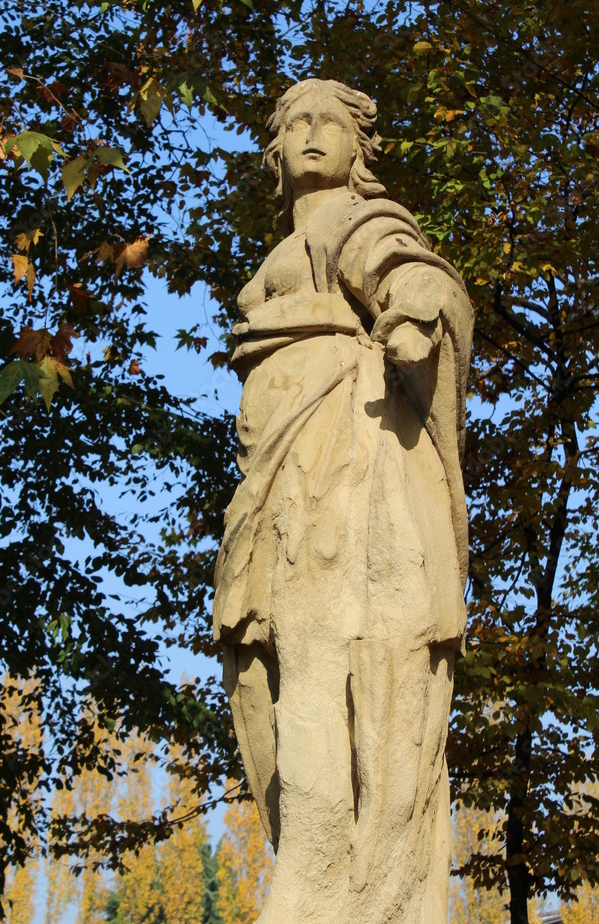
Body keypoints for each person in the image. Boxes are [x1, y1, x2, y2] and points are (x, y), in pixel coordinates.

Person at [213, 78, 474, 924]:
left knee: (326, 671)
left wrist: (414, 305)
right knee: (289, 674)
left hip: (344, 482)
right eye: (296, 123)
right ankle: (321, 877)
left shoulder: (349, 221)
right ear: (275, 152)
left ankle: (328, 890)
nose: (313, 133)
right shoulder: (284, 250)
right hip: (284, 486)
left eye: (330, 122)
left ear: (359, 149)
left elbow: (402, 261)